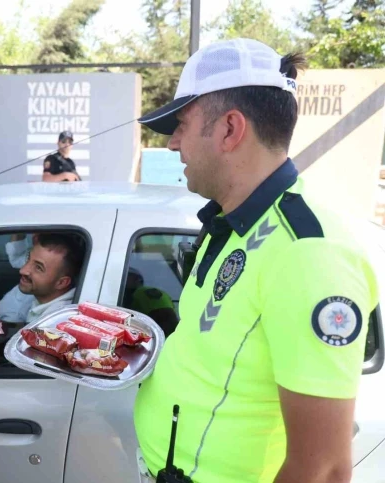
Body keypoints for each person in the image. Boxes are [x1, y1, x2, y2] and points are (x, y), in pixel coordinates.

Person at [132, 39, 379, 483]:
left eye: (182, 125)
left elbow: (323, 470)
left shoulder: (308, 254)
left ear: (230, 129)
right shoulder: (233, 223)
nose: (172, 144)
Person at [18, 233, 84, 323]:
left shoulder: (56, 321)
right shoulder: (43, 298)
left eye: (38, 267)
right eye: (28, 258)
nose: (22, 270)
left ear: (61, 283)